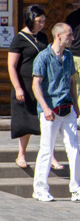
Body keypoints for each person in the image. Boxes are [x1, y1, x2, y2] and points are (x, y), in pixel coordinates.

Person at [30, 22, 80, 202]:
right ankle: (40, 189)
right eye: (69, 35)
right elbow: (36, 84)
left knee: (74, 148)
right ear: (58, 36)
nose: (72, 38)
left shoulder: (68, 56)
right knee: (46, 149)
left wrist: (76, 104)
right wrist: (44, 107)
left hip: (68, 109)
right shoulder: (43, 57)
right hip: (50, 110)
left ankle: (76, 188)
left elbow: (72, 81)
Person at [7, 4, 55, 169]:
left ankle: (51, 155)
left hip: (41, 83)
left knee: (46, 119)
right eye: (39, 21)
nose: (42, 24)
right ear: (30, 20)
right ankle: (21, 154)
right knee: (25, 119)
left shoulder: (42, 37)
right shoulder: (19, 38)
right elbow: (12, 66)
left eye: (43, 21)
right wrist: (18, 87)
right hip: (24, 84)